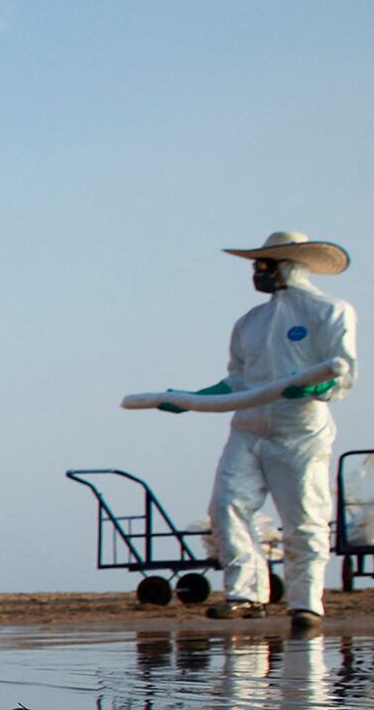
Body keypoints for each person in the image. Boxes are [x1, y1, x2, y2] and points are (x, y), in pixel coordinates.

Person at [133, 231, 356, 634]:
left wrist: (314, 386)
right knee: (226, 507)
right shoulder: (250, 323)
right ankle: (246, 596)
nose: (257, 272)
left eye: (264, 265)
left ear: (289, 267)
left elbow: (342, 373)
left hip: (299, 431)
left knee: (304, 516)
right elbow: (237, 382)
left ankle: (306, 605)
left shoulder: (330, 311)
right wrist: (189, 398)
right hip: (249, 429)